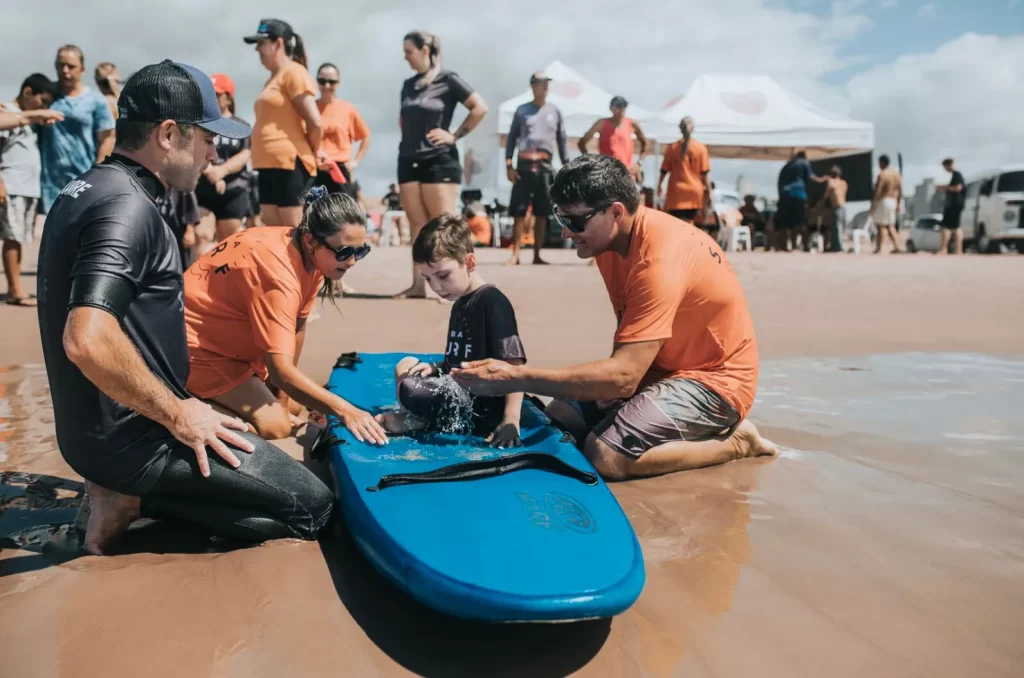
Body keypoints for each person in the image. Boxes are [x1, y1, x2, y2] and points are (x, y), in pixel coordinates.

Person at [36, 60, 334, 556]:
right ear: (169, 134)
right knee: (315, 508)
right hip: (136, 441)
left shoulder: (85, 188)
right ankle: (133, 500)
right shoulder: (127, 207)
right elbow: (85, 338)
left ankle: (126, 489)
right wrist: (179, 414)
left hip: (92, 434)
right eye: (208, 137)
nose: (215, 152)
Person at [451, 154, 777, 481]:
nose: (566, 234)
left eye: (575, 222)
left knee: (605, 455)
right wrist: (611, 384)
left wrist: (516, 377)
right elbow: (629, 337)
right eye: (560, 219)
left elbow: (624, 376)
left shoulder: (658, 263)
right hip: (659, 366)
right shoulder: (611, 242)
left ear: (616, 212)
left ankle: (737, 443)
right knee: (559, 420)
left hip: (716, 382)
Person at [184, 185, 388, 445]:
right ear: (310, 240)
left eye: (360, 251)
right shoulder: (278, 272)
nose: (352, 262)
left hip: (231, 344)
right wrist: (347, 411)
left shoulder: (310, 257)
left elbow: (297, 328)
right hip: (196, 348)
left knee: (290, 407)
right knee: (276, 427)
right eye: (345, 252)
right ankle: (185, 405)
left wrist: (280, 398)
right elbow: (280, 372)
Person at [376, 214, 525, 447]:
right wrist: (436, 367)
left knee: (409, 388)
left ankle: (418, 420)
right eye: (427, 279)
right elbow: (461, 357)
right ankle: (419, 417)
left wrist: (511, 419)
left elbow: (515, 365)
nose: (436, 287)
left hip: (478, 407)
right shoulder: (460, 302)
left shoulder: (493, 302)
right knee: (405, 366)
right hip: (458, 389)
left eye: (443, 276)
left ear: (469, 262)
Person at [395, 30, 488, 298]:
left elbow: (479, 107)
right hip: (408, 159)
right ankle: (417, 286)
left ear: (425, 50)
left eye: (409, 52)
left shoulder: (448, 80)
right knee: (417, 226)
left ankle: (465, 287)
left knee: (445, 226)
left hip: (439, 160)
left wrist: (454, 135)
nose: (406, 57)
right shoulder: (408, 85)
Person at [245, 18, 325, 227]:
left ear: (278, 43)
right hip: (267, 164)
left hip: (289, 163)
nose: (257, 50)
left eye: (261, 43)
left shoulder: (294, 72)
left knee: (295, 234)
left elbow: (315, 122)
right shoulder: (272, 79)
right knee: (275, 234)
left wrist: (315, 151)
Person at [1, 74, 60, 306]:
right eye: (42, 101)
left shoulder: (32, 121)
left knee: (20, 237)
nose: (44, 108)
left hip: (28, 187)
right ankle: (15, 290)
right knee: (12, 238)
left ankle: (16, 287)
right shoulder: (6, 111)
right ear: (27, 92)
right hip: (12, 183)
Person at [39, 45, 116, 213]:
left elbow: (107, 139)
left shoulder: (95, 100)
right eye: (61, 65)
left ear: (82, 69)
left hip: (82, 180)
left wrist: (98, 175)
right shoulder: (46, 95)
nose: (65, 71)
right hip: (49, 184)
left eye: (71, 66)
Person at [504, 71, 568, 266]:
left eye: (547, 83)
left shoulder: (555, 111)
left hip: (545, 166)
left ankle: (537, 254)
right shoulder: (522, 110)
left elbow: (562, 141)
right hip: (523, 165)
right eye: (541, 83)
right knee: (519, 211)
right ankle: (515, 253)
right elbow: (511, 138)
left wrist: (567, 166)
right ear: (533, 86)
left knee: (542, 212)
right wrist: (509, 165)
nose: (545, 87)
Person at [194, 73, 252, 255]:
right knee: (201, 236)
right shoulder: (201, 124)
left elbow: (246, 153)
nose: (213, 99)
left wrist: (222, 171)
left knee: (230, 241)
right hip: (204, 189)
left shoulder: (241, 125)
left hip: (233, 190)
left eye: (217, 94)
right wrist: (211, 171)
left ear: (228, 97)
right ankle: (204, 281)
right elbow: (195, 149)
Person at [315, 62, 370, 198]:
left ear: (338, 83)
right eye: (322, 81)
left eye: (331, 82)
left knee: (342, 217)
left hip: (339, 170)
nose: (327, 86)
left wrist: (355, 162)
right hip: (314, 170)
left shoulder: (347, 109)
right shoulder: (309, 108)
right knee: (313, 216)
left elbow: (365, 137)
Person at [657, 116, 711, 223]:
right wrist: (709, 192)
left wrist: (659, 185)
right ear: (693, 128)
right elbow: (705, 173)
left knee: (675, 224)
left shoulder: (672, 148)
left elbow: (664, 170)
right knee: (690, 224)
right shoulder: (701, 148)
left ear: (680, 129)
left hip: (676, 192)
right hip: (694, 192)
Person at [579, 96, 647, 180]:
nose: (622, 108)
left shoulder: (632, 124)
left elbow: (645, 143)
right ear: (611, 108)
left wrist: (639, 163)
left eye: (624, 105)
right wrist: (590, 163)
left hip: (626, 176)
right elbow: (582, 143)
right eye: (618, 105)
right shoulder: (602, 123)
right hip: (606, 176)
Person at [775, 150, 826, 251]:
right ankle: (802, 246)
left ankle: (784, 247)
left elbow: (779, 182)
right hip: (798, 195)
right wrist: (823, 179)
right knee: (800, 222)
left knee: (785, 223)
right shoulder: (804, 162)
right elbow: (812, 177)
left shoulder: (787, 166)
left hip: (785, 195)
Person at [870, 154, 903, 254]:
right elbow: (900, 190)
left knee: (880, 225)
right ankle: (897, 246)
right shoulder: (896, 174)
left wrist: (873, 205)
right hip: (893, 201)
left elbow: (878, 190)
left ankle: (879, 248)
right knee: (890, 225)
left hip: (883, 201)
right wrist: (898, 204)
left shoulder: (882, 174)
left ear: (882, 162)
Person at [935, 157, 965, 255]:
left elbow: (958, 188)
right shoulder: (955, 175)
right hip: (957, 204)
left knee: (945, 226)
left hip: (954, 204)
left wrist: (944, 187)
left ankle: (944, 249)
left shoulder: (957, 175)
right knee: (955, 227)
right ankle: (958, 250)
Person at [819, 165, 848, 252]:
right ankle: (836, 246)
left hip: (837, 206)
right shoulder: (843, 183)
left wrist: (820, 205)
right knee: (839, 227)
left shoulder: (831, 182)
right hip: (843, 206)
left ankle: (839, 247)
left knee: (837, 227)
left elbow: (826, 195)